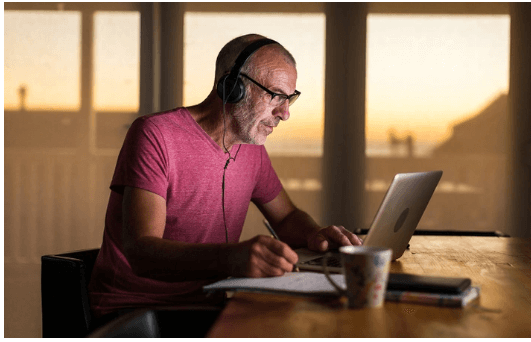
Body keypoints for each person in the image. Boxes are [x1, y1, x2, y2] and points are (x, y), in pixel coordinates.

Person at [88, 34, 362, 321]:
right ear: (234, 87)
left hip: (209, 306)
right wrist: (231, 258)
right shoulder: (155, 134)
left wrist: (314, 234)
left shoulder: (251, 148)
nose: (285, 113)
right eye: (276, 96)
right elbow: (141, 251)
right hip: (135, 312)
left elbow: (287, 217)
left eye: (290, 98)